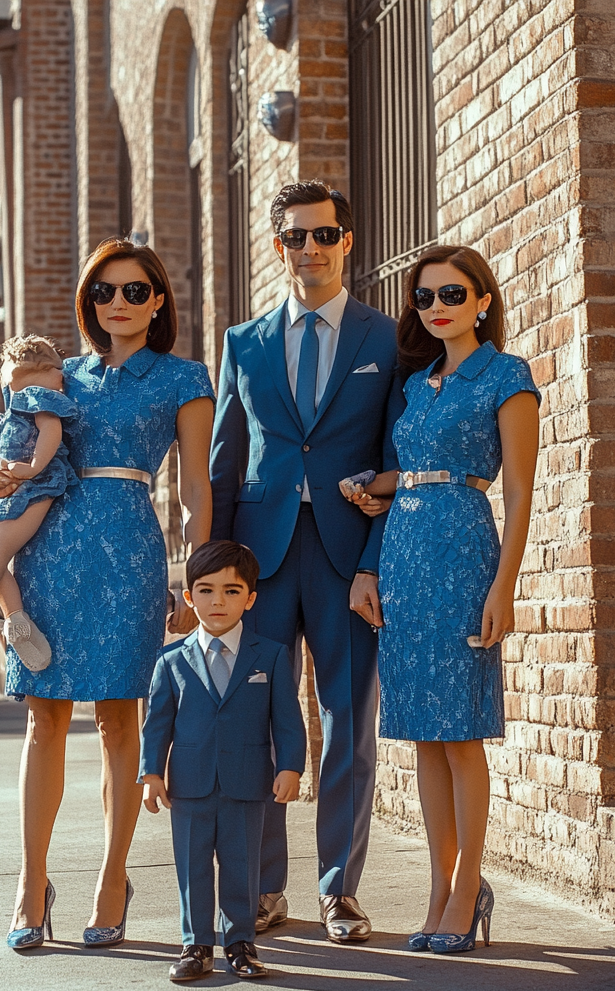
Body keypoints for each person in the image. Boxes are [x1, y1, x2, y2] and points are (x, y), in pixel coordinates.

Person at [0, 238, 215, 950]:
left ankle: (113, 877)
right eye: (103, 292)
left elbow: (196, 487)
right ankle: (31, 884)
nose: (116, 303)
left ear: (157, 302)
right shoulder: (63, 376)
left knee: (121, 720)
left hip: (130, 556)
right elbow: (22, 449)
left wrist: (194, 575)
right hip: (51, 552)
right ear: (89, 303)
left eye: (133, 291)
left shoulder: (184, 378)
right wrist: (6, 475)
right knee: (44, 718)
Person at [210, 180, 405, 942]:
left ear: (347, 241)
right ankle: (264, 888)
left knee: (347, 722)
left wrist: (376, 562)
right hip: (259, 559)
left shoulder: (385, 340)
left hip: (346, 559)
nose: (311, 248)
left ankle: (339, 889)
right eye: (296, 236)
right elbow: (226, 463)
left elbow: (397, 458)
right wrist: (214, 571)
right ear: (278, 244)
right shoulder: (243, 343)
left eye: (324, 235)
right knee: (257, 721)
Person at [342, 244, 539, 953]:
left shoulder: (506, 375)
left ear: (482, 300)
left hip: (464, 553)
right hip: (404, 555)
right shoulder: (418, 380)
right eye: (424, 299)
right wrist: (377, 484)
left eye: (452, 295)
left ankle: (467, 887)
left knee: (460, 733)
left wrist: (504, 586)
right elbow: (416, 471)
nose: (437, 309)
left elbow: (516, 491)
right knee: (423, 731)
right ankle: (438, 887)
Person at [140, 540, 307, 982]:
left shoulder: (270, 656)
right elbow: (156, 724)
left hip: (249, 783)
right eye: (207, 590)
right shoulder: (170, 661)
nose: (219, 601)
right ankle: (196, 944)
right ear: (190, 597)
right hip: (189, 785)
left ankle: (240, 943)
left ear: (250, 599)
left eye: (232, 592)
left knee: (241, 865)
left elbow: (287, 719)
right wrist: (151, 773)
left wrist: (290, 766)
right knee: (192, 867)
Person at [0, 335, 78, 672]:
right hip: (18, 486)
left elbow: (51, 433)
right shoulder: (26, 399)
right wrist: (3, 469)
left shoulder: (34, 397)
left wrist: (32, 467)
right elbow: (16, 446)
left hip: (38, 486)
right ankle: (15, 618)